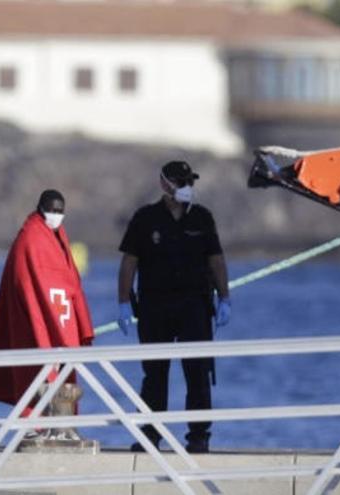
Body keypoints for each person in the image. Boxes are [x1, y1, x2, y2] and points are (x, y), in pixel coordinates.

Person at [117, 160, 231, 454]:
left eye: (189, 182)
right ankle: (151, 435)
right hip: (155, 306)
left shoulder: (203, 218)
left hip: (195, 305)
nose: (186, 187)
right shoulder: (145, 218)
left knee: (198, 372)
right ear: (164, 184)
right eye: (181, 182)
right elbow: (129, 261)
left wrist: (225, 298)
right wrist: (123, 302)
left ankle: (198, 436)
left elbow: (216, 260)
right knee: (155, 374)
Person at [0, 190, 95, 424]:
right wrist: (43, 318)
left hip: (58, 320)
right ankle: (34, 426)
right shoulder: (29, 238)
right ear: (40, 208)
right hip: (33, 320)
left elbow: (70, 281)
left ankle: (60, 427)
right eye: (52, 210)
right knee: (34, 375)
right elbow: (25, 282)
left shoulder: (58, 237)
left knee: (61, 378)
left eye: (60, 211)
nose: (56, 215)